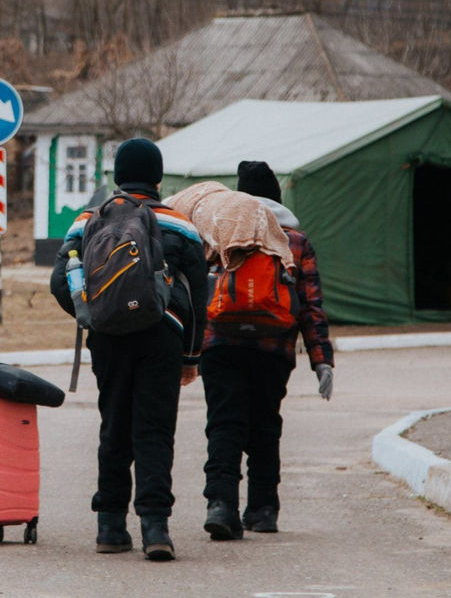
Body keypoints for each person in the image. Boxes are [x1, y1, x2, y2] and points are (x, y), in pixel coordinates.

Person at [51, 138, 208, 562]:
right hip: (162, 336)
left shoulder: (87, 220)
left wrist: (96, 315)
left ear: (118, 176)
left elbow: (60, 281)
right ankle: (155, 528)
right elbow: (198, 299)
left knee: (114, 425)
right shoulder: (179, 224)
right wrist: (191, 357)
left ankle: (110, 526)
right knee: (154, 430)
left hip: (108, 339)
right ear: (157, 178)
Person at [198, 160, 334, 540]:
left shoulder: (219, 230)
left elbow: (197, 292)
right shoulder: (295, 241)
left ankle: (221, 505)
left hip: (221, 344)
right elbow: (311, 305)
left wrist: (188, 352)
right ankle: (263, 509)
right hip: (273, 347)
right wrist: (322, 361)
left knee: (224, 424)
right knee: (265, 426)